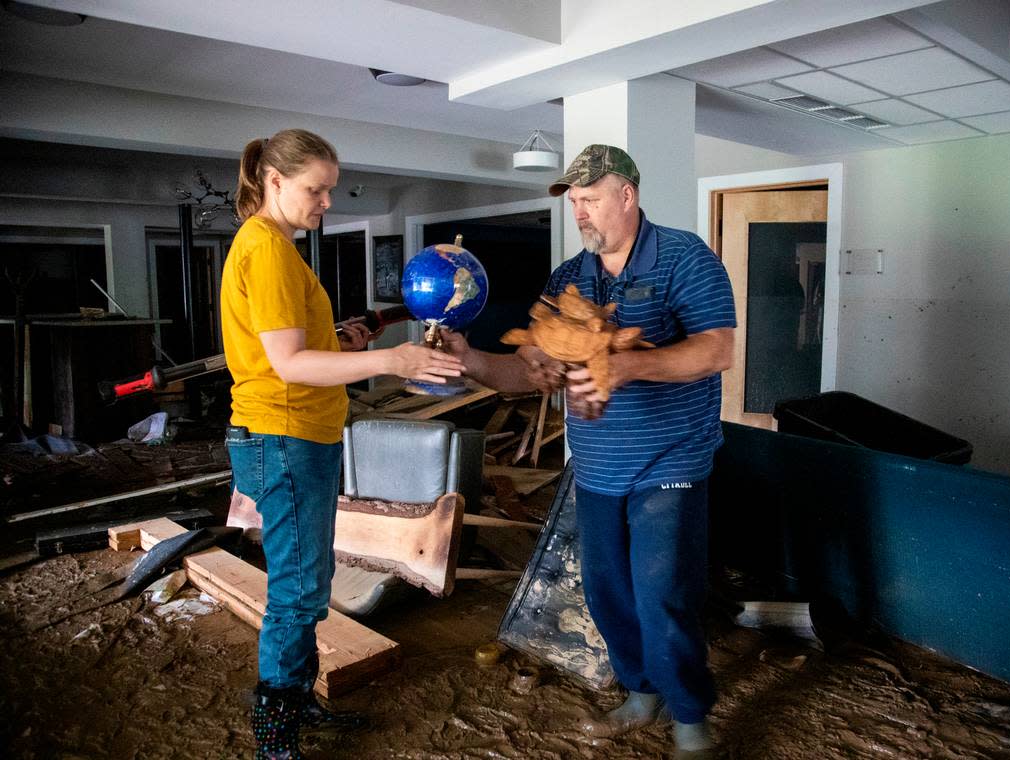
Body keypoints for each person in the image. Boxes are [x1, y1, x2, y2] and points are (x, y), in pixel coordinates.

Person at [443, 144, 735, 759]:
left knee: (663, 594)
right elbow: (529, 374)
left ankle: (690, 724)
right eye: (573, 201)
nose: (580, 212)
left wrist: (626, 366)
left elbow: (714, 351)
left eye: (590, 198)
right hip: (597, 465)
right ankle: (640, 694)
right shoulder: (567, 279)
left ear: (626, 195)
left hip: (671, 459)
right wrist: (472, 360)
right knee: (607, 592)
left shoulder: (685, 257)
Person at [222, 128, 465, 759]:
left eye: (330, 189)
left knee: (308, 575)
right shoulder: (268, 250)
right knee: (298, 589)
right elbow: (290, 364)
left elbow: (298, 348)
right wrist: (392, 358)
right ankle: (275, 739)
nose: (327, 201)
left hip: (297, 431)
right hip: (283, 431)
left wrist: (345, 343)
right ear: (275, 182)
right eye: (316, 189)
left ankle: (297, 701)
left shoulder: (274, 247)